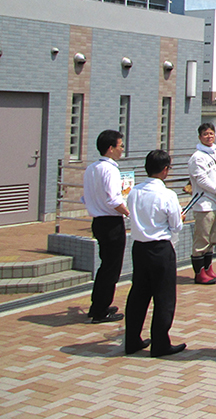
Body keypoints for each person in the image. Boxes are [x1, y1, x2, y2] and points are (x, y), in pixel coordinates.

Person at [124, 150, 186, 357]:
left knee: (138, 295)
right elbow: (176, 226)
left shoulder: (134, 191)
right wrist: (180, 218)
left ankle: (131, 340)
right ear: (165, 169)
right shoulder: (168, 194)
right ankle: (160, 343)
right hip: (160, 249)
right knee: (164, 297)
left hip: (139, 247)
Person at [83, 130, 129, 324]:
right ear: (110, 149)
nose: (122, 150)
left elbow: (85, 197)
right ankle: (101, 310)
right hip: (111, 223)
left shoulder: (91, 168)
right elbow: (113, 199)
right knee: (111, 268)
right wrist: (130, 213)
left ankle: (98, 305)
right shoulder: (110, 170)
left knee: (105, 266)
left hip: (98, 221)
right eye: (120, 146)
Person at [187, 123, 216, 285]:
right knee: (202, 240)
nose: (209, 136)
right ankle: (199, 273)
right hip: (204, 204)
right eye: (205, 134)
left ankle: (208, 268)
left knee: (213, 239)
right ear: (199, 137)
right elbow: (200, 178)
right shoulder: (197, 157)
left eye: (211, 133)